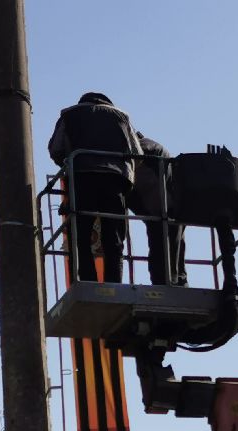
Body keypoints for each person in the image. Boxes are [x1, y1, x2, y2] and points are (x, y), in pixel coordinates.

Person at [48, 92, 142, 283]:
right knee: (114, 236)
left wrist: (69, 166)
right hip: (115, 181)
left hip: (83, 178)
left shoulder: (69, 115)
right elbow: (137, 153)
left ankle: (87, 279)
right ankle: (114, 281)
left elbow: (55, 149)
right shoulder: (121, 116)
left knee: (81, 234)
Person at [128, 133, 187, 286]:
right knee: (172, 243)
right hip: (166, 203)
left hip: (164, 205)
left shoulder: (145, 147)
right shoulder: (150, 147)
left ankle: (168, 283)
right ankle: (177, 282)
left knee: (164, 241)